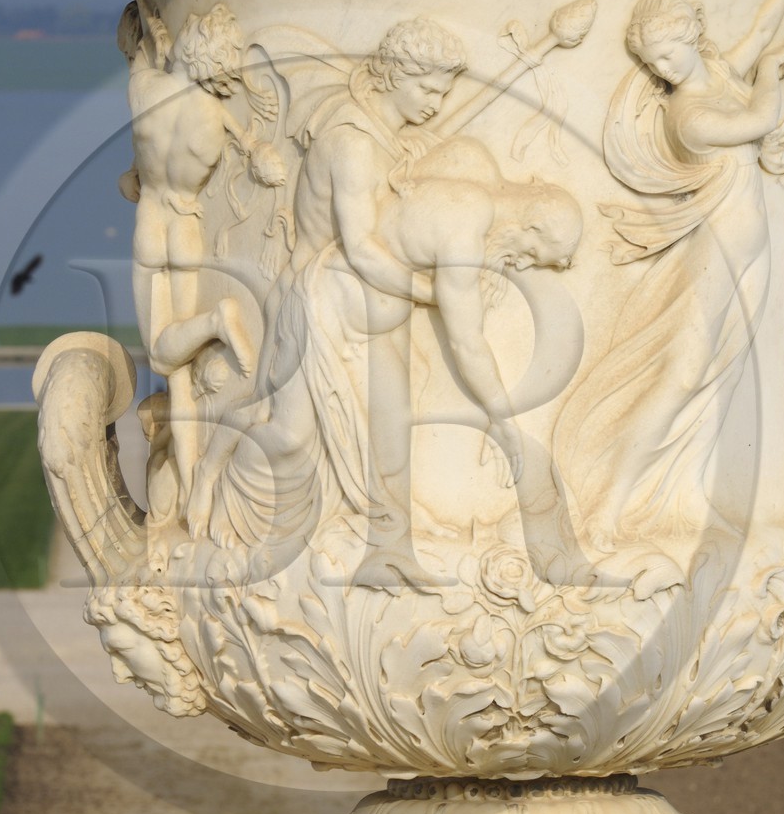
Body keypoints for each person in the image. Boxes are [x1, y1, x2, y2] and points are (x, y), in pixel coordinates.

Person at [187, 133, 583, 586]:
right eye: (531, 253)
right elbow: (467, 344)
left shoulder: (473, 172)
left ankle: (392, 555)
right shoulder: (464, 233)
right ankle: (209, 474)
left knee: (390, 441)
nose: (520, 263)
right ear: (530, 226)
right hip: (325, 309)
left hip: (371, 332)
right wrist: (504, 420)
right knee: (285, 431)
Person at [555, 0, 784, 585]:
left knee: (715, 379)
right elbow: (759, 120)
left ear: (692, 34)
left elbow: (757, 34)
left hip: (751, 254)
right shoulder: (688, 115)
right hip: (717, 256)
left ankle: (683, 504)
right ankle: (604, 511)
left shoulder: (719, 76)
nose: (664, 68)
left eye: (669, 52)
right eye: (653, 61)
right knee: (680, 376)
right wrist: (769, 75)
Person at [122, 1, 283, 500]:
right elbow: (255, 154)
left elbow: (139, 49)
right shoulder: (217, 119)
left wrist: (153, 28)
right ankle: (195, 491)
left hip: (152, 222)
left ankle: (215, 322)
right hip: (187, 223)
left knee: (164, 359)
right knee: (182, 374)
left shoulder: (143, 90)